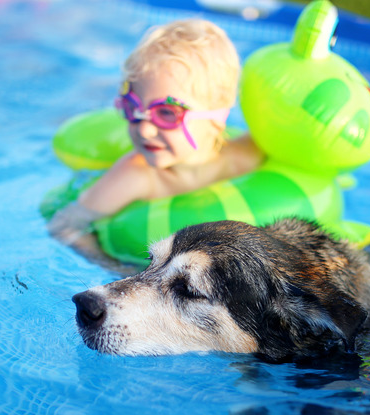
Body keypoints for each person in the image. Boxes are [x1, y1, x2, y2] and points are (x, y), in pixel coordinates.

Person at [48, 18, 264, 260]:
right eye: (133, 108)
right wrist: (113, 267)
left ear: (218, 115)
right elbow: (65, 225)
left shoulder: (248, 155)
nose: (145, 130)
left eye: (167, 113)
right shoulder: (135, 176)